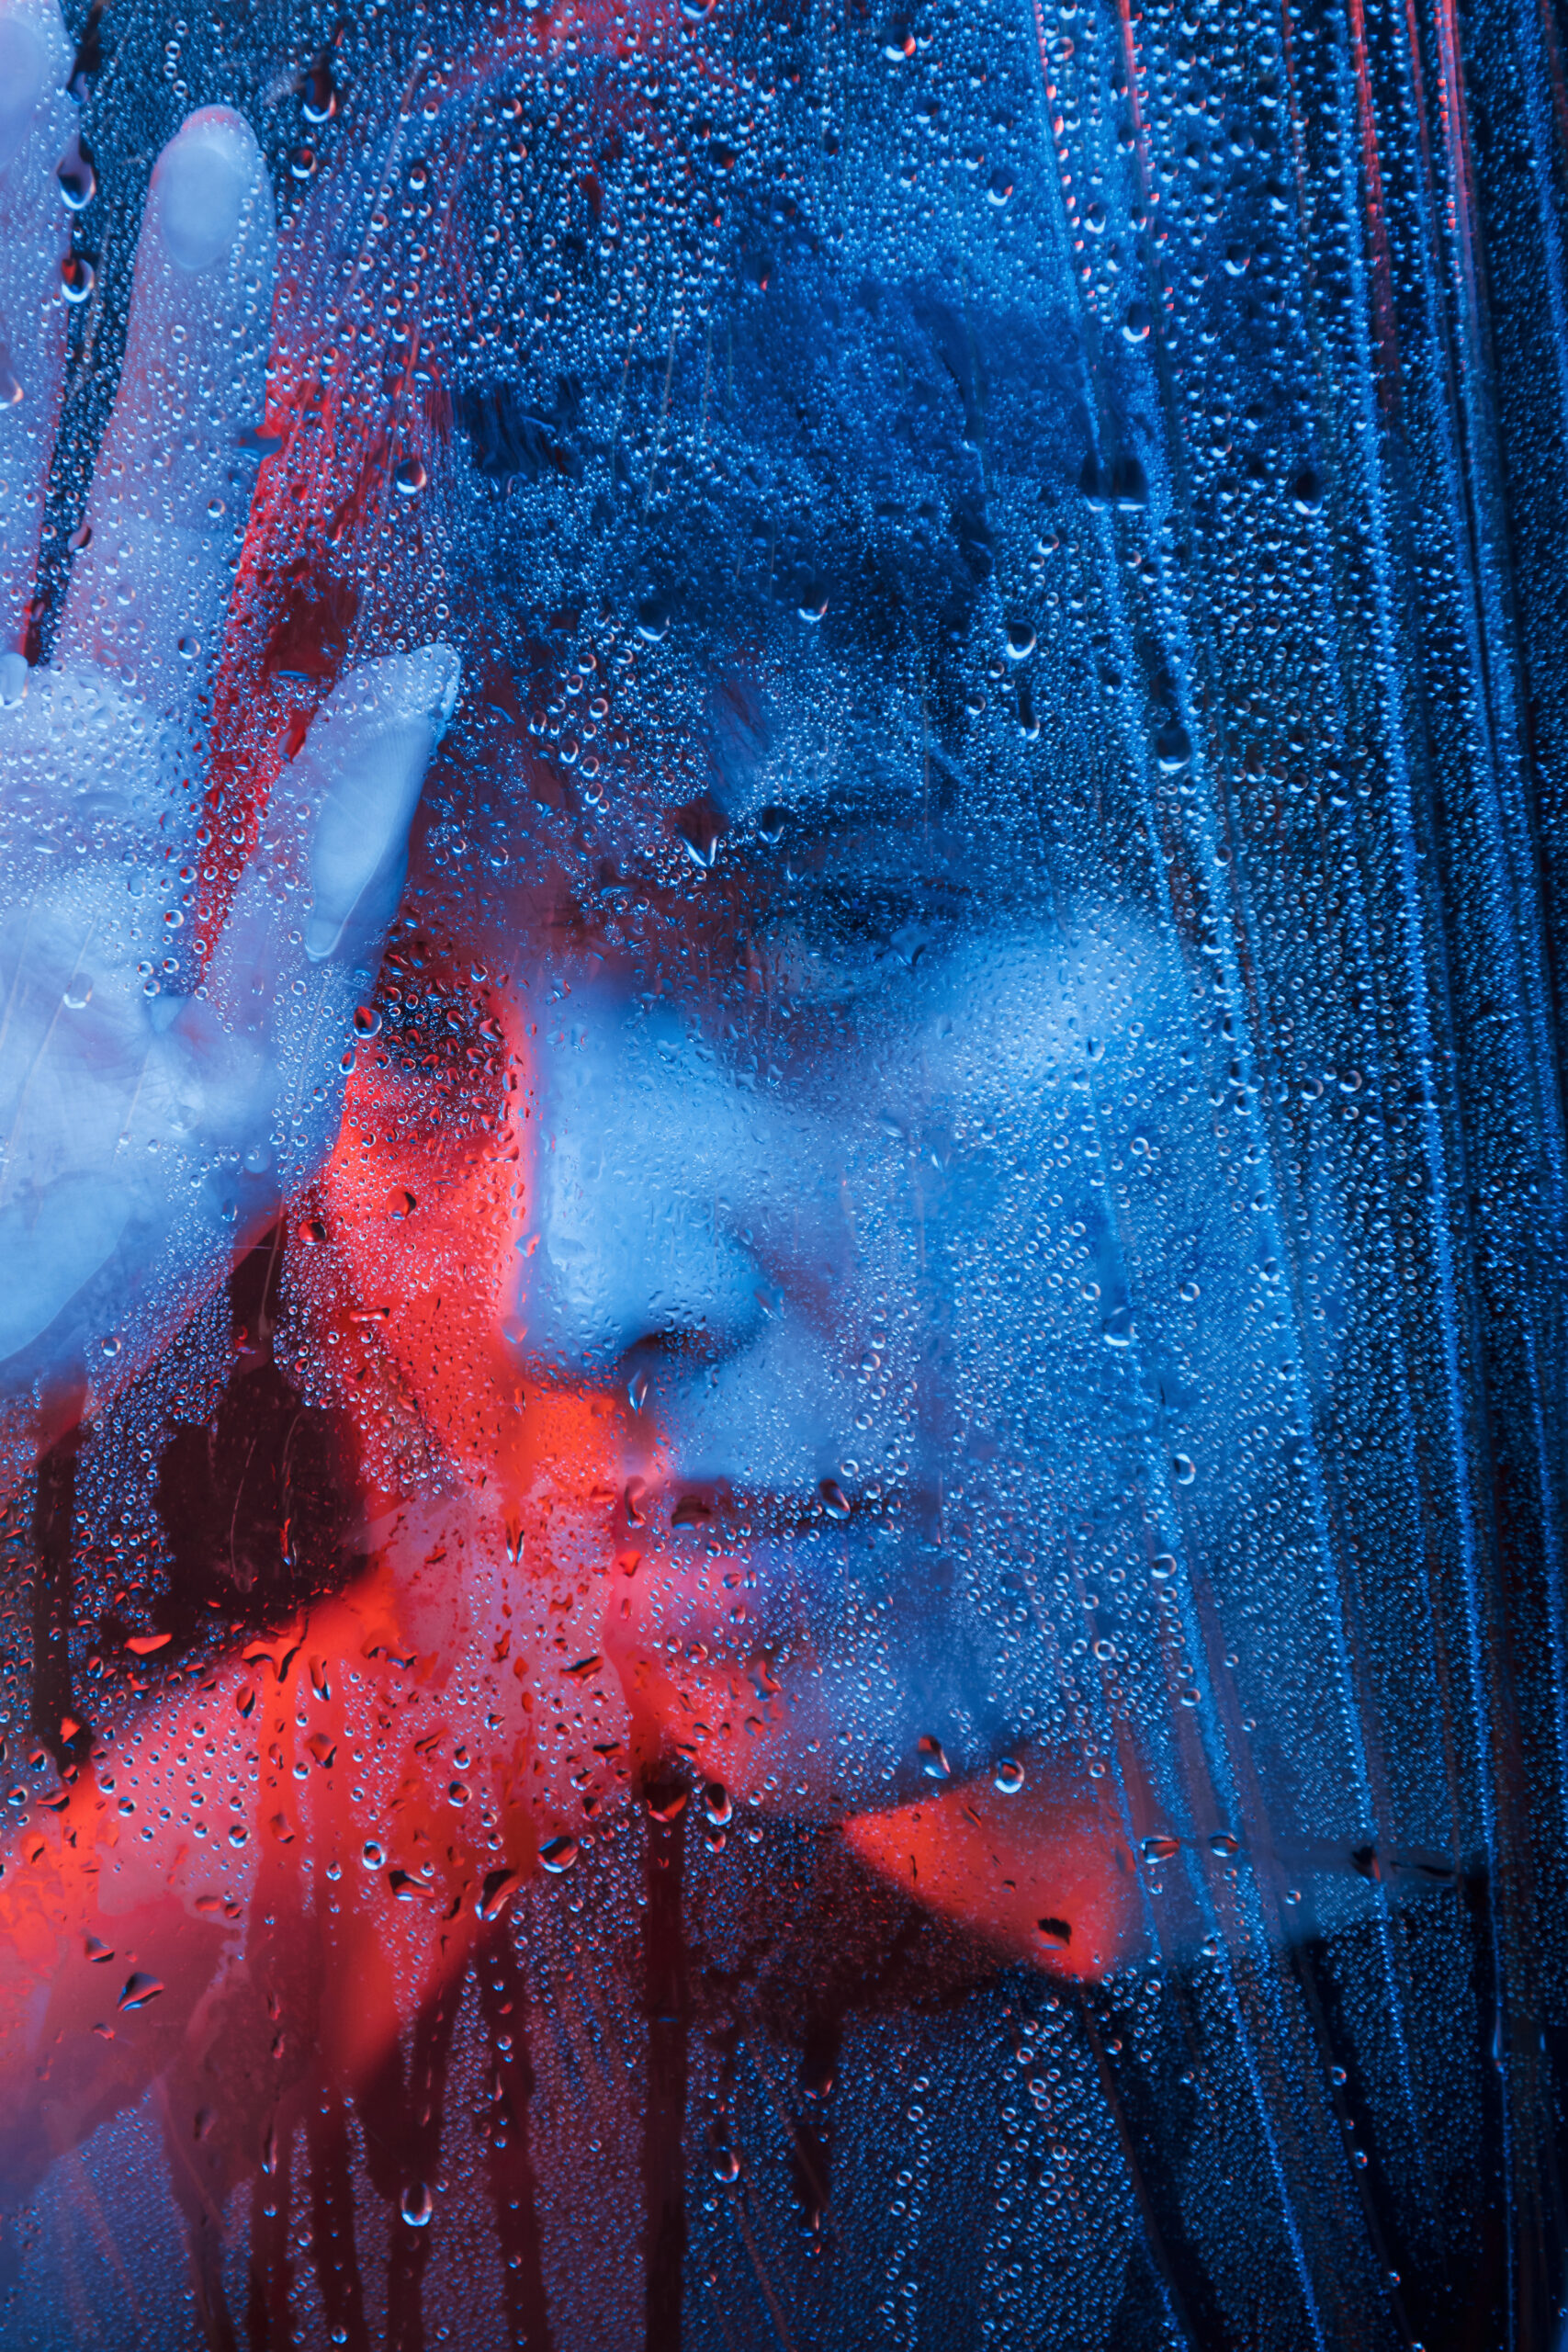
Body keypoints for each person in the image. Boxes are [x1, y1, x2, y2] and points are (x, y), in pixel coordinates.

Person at [0, 0, 1561, 2341]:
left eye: (840, 921)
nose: (568, 1278)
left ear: (1359, 934)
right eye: (406, 1029)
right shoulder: (341, 1898)